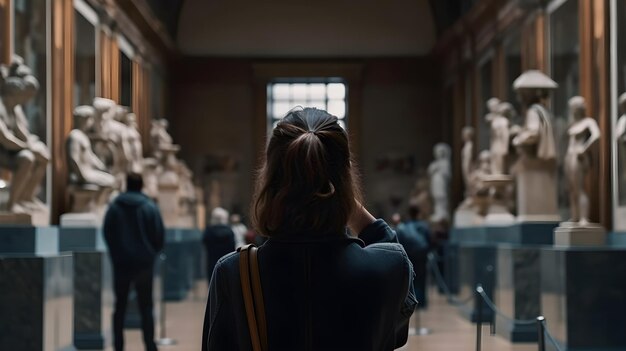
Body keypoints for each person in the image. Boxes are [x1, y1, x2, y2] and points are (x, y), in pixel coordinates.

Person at [202, 107, 416, 351]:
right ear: (345, 177)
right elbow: (397, 331)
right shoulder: (386, 268)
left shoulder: (233, 274)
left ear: (271, 179)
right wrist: (347, 201)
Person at [103, 173, 165, 351]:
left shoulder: (115, 207)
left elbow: (108, 232)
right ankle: (150, 345)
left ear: (126, 185)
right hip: (144, 264)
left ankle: (118, 346)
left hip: (121, 263)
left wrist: (116, 254)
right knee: (146, 306)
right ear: (141, 185)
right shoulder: (149, 207)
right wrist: (151, 253)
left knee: (119, 307)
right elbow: (159, 235)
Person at [396, 205, 431, 309]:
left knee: (411, 279)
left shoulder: (404, 226)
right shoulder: (424, 225)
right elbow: (429, 240)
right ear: (418, 214)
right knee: (422, 278)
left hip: (409, 255)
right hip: (422, 256)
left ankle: (411, 302)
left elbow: (400, 241)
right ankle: (422, 301)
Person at [203, 207, 236, 284]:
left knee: (212, 281)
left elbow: (205, 242)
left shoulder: (209, 231)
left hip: (212, 260)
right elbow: (232, 246)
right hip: (227, 261)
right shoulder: (229, 231)